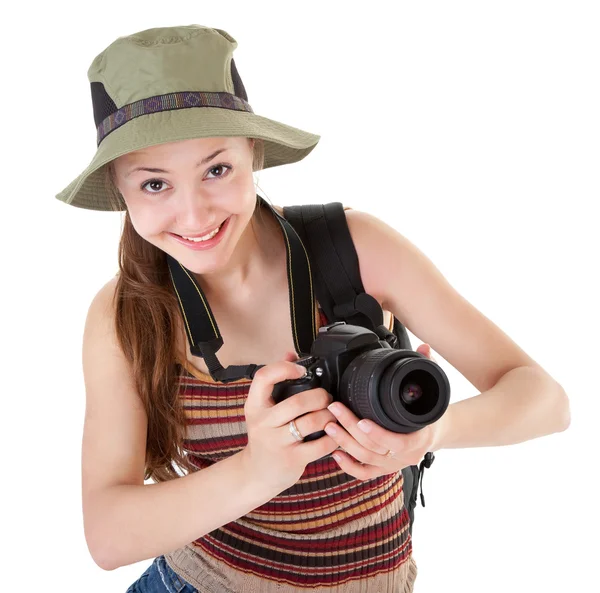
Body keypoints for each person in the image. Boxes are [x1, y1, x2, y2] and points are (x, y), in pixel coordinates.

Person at [55, 24, 571, 593]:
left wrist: (434, 431)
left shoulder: (352, 250)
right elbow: (107, 535)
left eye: (216, 170)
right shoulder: (126, 314)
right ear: (120, 192)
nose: (195, 214)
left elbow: (545, 401)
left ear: (253, 153)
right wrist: (260, 468)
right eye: (154, 185)